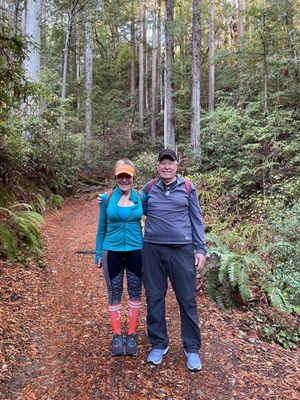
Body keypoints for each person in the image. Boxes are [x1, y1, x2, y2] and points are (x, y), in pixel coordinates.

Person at [141, 148, 206, 371]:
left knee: (187, 298)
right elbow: (130, 206)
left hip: (182, 250)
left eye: (171, 162)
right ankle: (159, 343)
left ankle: (192, 348)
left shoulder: (187, 188)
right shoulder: (149, 188)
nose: (166, 166)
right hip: (152, 250)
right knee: (154, 296)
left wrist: (201, 249)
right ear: (158, 166)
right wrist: (108, 199)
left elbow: (197, 219)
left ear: (177, 165)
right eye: (163, 163)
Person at [95, 159, 143, 357]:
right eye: (120, 176)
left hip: (136, 250)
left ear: (133, 178)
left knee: (135, 292)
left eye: (128, 176)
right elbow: (101, 227)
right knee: (114, 292)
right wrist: (98, 253)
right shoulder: (107, 198)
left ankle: (131, 335)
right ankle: (117, 336)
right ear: (115, 178)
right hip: (111, 251)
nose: (124, 179)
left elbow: (155, 215)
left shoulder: (141, 197)